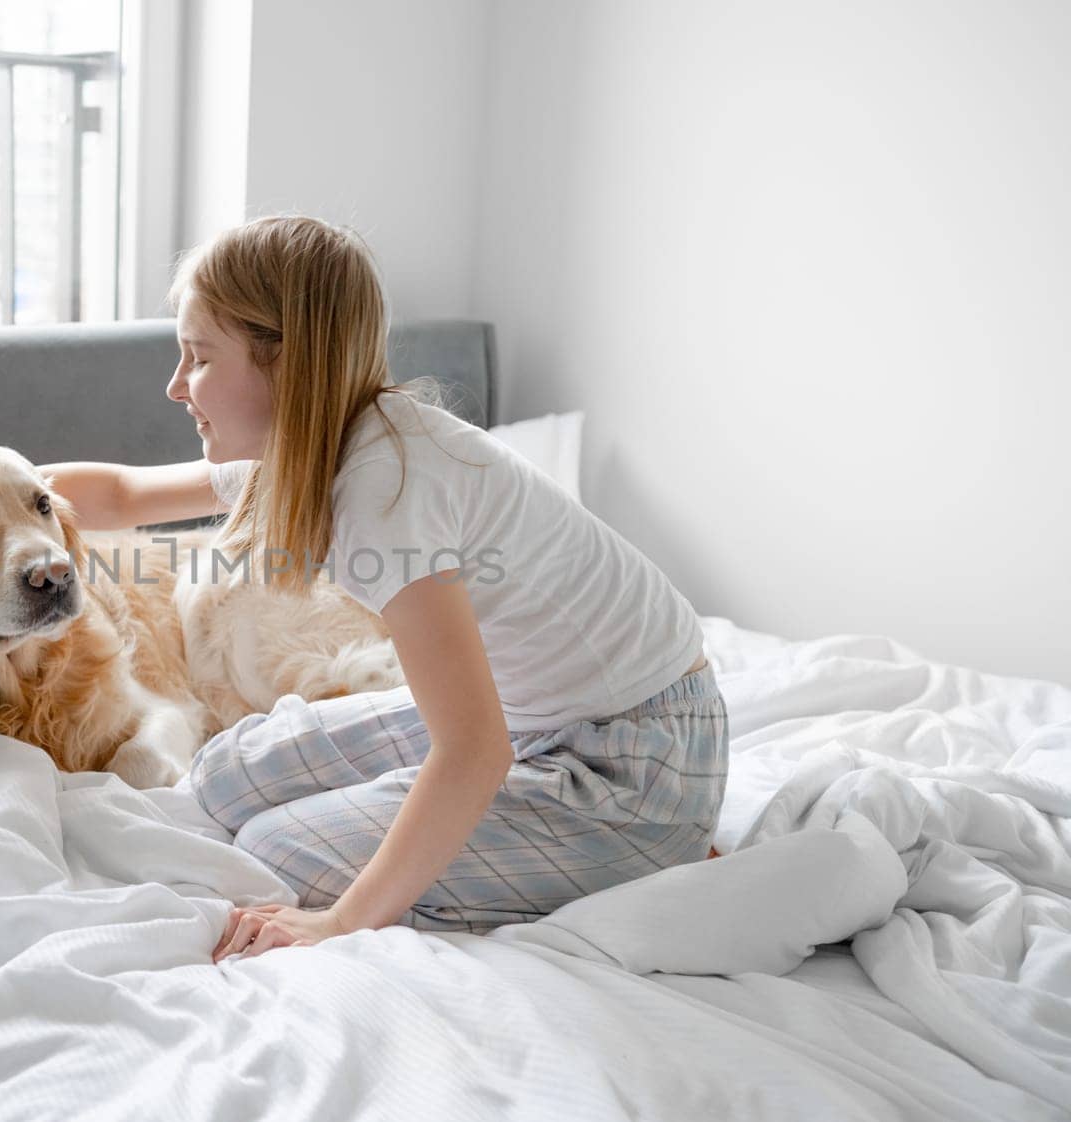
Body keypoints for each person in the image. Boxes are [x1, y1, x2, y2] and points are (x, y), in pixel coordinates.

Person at [42, 214, 727, 964]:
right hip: (535, 715)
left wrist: (339, 923)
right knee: (227, 778)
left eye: (199, 358)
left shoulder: (384, 488)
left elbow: (473, 750)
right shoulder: (319, 442)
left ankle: (657, 852)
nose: (176, 387)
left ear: (286, 366)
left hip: (635, 764)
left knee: (281, 851)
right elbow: (125, 495)